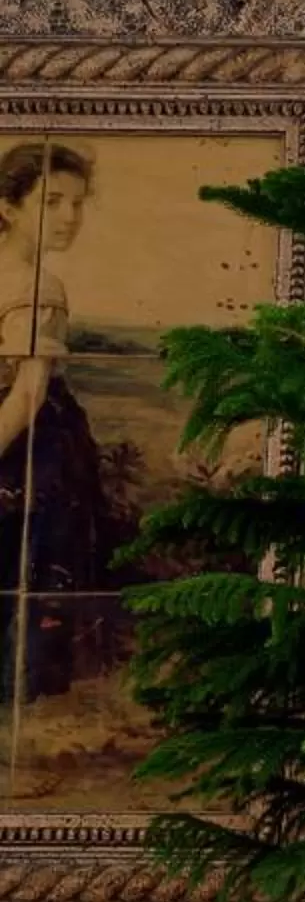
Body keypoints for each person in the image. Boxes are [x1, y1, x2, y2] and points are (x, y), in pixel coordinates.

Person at [0, 139, 116, 703]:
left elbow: (26, 397)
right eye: (51, 203)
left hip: (28, 449)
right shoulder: (27, 282)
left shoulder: (38, 287)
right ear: (8, 206)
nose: (69, 217)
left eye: (77, 203)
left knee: (25, 582)